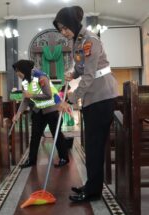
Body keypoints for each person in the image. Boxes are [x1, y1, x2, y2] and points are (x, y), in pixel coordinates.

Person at [53, 6, 118, 203]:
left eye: (65, 27)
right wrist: (73, 73)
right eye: (60, 29)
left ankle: (93, 192)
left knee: (94, 146)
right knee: (92, 146)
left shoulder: (90, 40)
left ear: (73, 23)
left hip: (101, 96)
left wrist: (69, 100)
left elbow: (90, 75)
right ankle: (92, 185)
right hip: (93, 97)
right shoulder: (78, 41)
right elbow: (82, 68)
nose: (64, 32)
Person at [12, 59, 69, 169]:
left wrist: (31, 95)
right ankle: (31, 160)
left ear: (23, 70)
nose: (17, 74)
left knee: (56, 135)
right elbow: (26, 99)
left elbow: (48, 95)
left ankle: (64, 158)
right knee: (35, 136)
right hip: (38, 110)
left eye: (17, 71)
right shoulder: (24, 81)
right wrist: (18, 113)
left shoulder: (41, 77)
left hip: (51, 109)